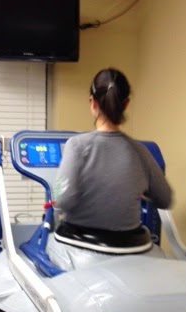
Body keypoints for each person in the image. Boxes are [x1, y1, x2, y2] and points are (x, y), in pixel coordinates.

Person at [53, 68, 173, 234]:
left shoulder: (76, 146)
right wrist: (141, 191)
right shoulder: (141, 151)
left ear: (92, 103)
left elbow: (61, 200)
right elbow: (165, 199)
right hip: (129, 244)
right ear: (126, 104)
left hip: (81, 243)